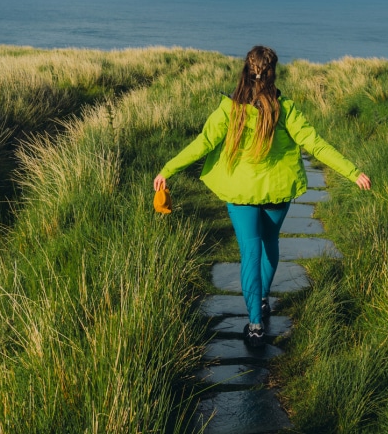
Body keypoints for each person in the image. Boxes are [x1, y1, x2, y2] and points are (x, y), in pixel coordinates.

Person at [153, 45, 372, 348]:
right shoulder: (286, 109)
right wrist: (352, 172)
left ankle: (255, 323)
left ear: (246, 71)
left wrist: (168, 169)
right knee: (270, 245)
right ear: (272, 73)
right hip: (277, 191)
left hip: (241, 193)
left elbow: (202, 143)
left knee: (250, 254)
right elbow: (316, 145)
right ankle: (265, 299)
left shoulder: (229, 110)